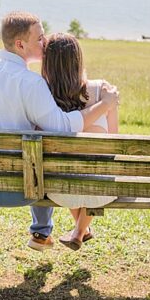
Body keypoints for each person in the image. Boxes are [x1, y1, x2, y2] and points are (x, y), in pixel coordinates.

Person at [0, 11, 119, 251]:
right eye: (40, 38)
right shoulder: (31, 83)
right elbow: (62, 128)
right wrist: (105, 104)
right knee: (41, 153)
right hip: (23, 189)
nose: (45, 42)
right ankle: (42, 233)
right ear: (20, 44)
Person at [41, 32, 118, 250]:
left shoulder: (42, 93)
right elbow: (114, 140)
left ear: (48, 64)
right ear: (78, 58)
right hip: (102, 191)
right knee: (93, 173)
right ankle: (79, 231)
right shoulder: (103, 90)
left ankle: (79, 230)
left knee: (68, 169)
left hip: (60, 191)